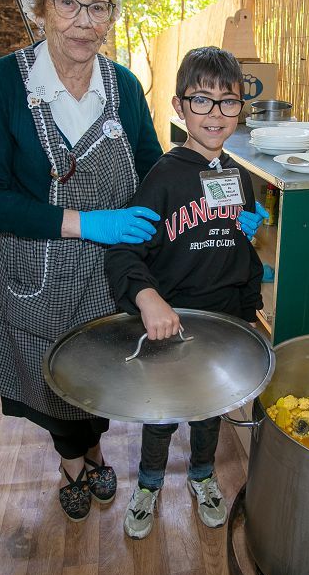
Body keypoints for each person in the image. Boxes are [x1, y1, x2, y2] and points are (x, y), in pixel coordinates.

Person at [0, 0, 166, 523]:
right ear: (39, 7)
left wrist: (205, 199)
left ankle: (95, 448)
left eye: (97, 7)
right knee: (50, 382)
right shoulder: (5, 83)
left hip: (108, 274)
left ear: (112, 14)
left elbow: (153, 172)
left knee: (101, 374)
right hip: (38, 273)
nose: (84, 21)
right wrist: (85, 221)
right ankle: (75, 463)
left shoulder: (124, 86)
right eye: (67, 3)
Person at [104, 46, 264, 539]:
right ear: (179, 106)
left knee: (210, 409)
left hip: (221, 320)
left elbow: (236, 242)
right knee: (163, 412)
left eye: (228, 102)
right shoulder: (164, 178)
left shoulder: (237, 175)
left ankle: (202, 475)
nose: (215, 114)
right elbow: (123, 252)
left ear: (242, 108)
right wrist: (148, 299)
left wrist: (248, 302)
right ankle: (149, 484)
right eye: (201, 100)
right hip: (169, 321)